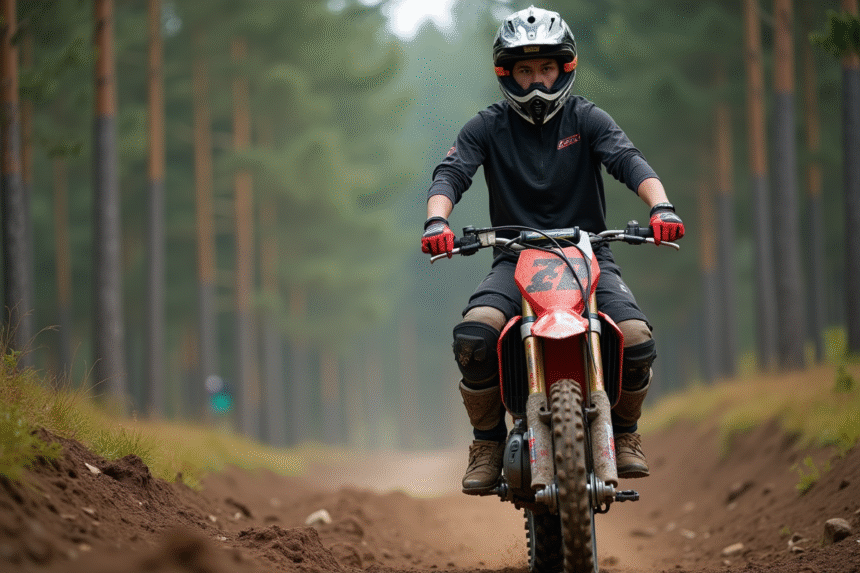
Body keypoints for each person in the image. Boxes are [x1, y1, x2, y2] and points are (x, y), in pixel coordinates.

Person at [421, 5, 685, 495]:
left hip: (589, 256)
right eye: (525, 70)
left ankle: (624, 433)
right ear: (507, 73)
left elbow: (629, 161)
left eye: (546, 68)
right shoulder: (486, 127)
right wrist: (438, 218)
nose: (537, 82)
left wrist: (662, 208)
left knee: (635, 338)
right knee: (474, 338)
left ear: (565, 67)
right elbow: (450, 173)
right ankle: (487, 442)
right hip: (513, 259)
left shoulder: (588, 118)